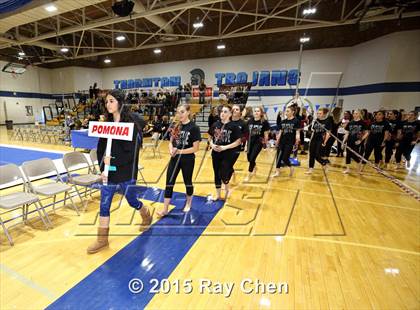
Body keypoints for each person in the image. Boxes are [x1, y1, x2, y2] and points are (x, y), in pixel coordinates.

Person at [87, 89, 151, 254]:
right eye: (107, 101)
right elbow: (101, 148)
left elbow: (132, 152)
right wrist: (103, 167)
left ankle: (145, 213)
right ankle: (102, 239)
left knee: (131, 200)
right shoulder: (106, 125)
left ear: (120, 102)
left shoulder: (131, 126)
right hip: (110, 172)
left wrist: (113, 161)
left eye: (111, 101)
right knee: (104, 203)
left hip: (126, 171)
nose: (108, 104)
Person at [157, 104, 201, 216]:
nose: (179, 114)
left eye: (182, 112)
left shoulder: (194, 128)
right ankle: (165, 209)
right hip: (174, 159)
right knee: (169, 183)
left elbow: (195, 148)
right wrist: (171, 149)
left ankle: (188, 203)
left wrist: (179, 151)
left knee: (188, 182)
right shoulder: (176, 126)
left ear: (188, 112)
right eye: (178, 112)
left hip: (187, 160)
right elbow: (171, 141)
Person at [208, 105, 241, 200]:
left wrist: (225, 147)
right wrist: (212, 145)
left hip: (228, 154)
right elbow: (210, 136)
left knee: (223, 173)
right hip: (215, 153)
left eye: (225, 111)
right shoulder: (215, 124)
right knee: (216, 173)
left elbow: (238, 141)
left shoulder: (234, 126)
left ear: (230, 114)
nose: (222, 113)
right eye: (222, 111)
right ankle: (218, 195)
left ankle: (227, 189)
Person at [272, 106, 300, 177]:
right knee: (278, 157)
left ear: (292, 112)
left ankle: (291, 167)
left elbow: (297, 132)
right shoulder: (283, 121)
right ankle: (277, 172)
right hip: (282, 142)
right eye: (286, 111)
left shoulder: (296, 121)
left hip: (290, 143)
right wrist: (277, 142)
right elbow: (280, 132)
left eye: (288, 111)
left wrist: (297, 141)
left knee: (285, 158)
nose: (286, 112)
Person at [245, 106, 270, 181]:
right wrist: (246, 144)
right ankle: (255, 167)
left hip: (258, 142)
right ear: (253, 113)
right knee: (249, 158)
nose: (256, 112)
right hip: (250, 142)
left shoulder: (264, 122)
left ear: (261, 113)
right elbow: (247, 134)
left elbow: (266, 134)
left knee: (252, 158)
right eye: (255, 111)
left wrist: (265, 144)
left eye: (258, 111)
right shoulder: (249, 121)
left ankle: (249, 175)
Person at [305, 108, 331, 175]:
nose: (318, 115)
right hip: (314, 139)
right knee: (311, 155)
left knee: (317, 154)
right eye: (317, 113)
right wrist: (310, 140)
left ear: (324, 114)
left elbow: (328, 133)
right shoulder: (316, 120)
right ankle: (310, 169)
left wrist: (325, 142)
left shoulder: (327, 121)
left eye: (320, 113)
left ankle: (324, 162)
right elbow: (313, 132)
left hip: (320, 140)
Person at [342, 110, 369, 174]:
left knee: (355, 155)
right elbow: (347, 133)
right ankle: (348, 169)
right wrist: (344, 141)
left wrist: (361, 140)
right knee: (348, 155)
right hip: (349, 141)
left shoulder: (363, 123)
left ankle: (359, 168)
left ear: (359, 114)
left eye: (356, 113)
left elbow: (367, 133)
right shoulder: (350, 122)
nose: (355, 115)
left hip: (357, 142)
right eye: (354, 113)